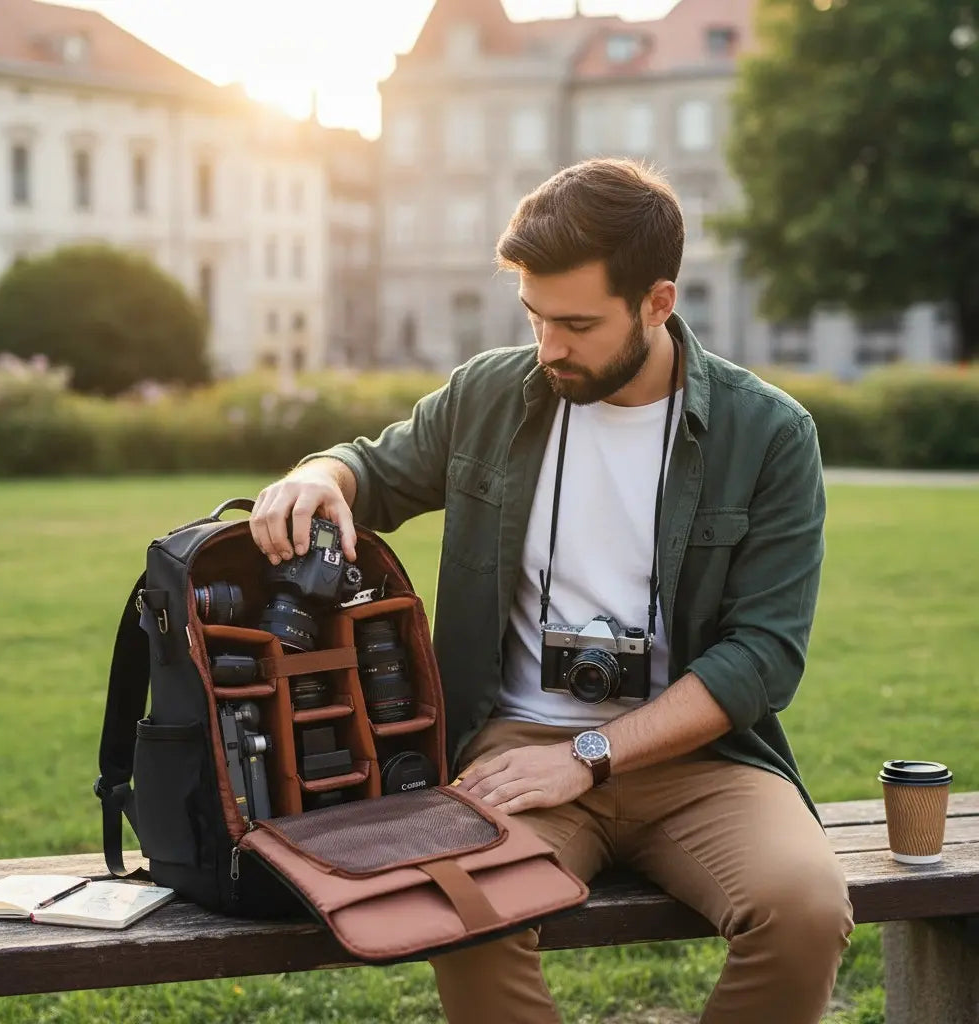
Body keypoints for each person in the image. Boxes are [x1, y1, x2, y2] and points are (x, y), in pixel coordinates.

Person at [249, 158, 854, 1024]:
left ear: (658, 302)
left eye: (575, 323)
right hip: (513, 750)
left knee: (804, 910)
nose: (549, 348)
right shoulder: (491, 393)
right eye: (534, 317)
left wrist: (587, 759)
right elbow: (372, 470)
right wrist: (314, 476)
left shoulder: (770, 434)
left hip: (698, 760)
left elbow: (763, 660)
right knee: (465, 906)